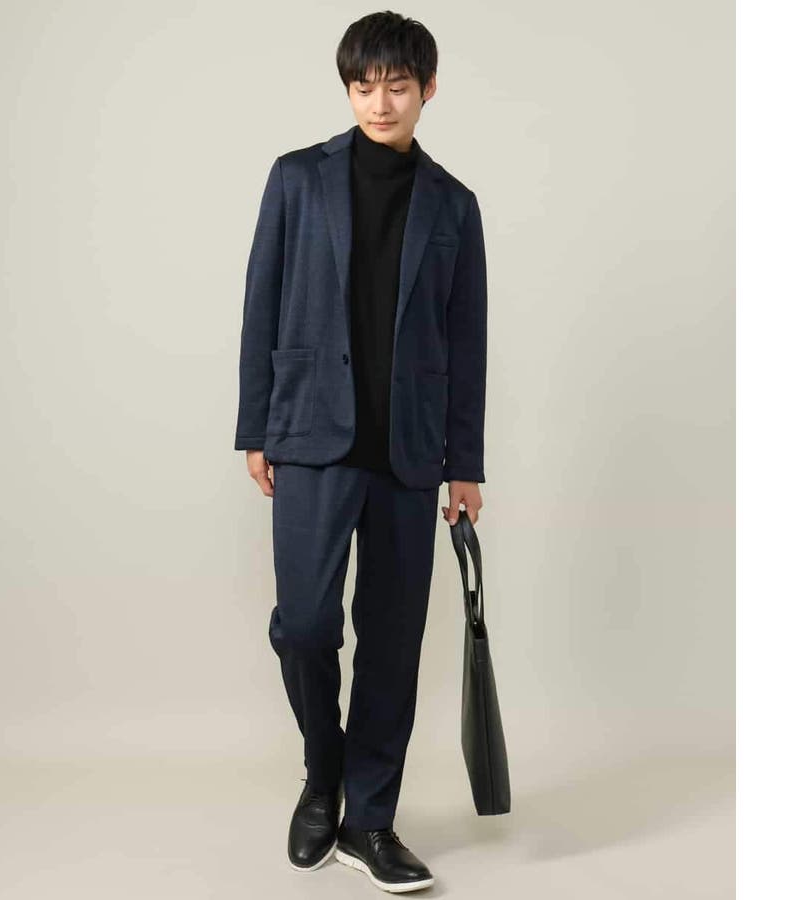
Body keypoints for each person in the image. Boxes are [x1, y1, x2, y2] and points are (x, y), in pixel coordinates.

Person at [233, 10, 487, 893]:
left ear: (427, 90)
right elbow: (261, 301)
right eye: (364, 86)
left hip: (410, 450)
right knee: (306, 625)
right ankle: (323, 772)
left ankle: (369, 820)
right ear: (348, 90)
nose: (381, 103)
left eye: (398, 86)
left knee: (391, 641)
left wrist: (465, 461)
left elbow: (467, 338)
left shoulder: (453, 204)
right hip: (310, 434)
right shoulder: (297, 178)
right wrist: (256, 426)